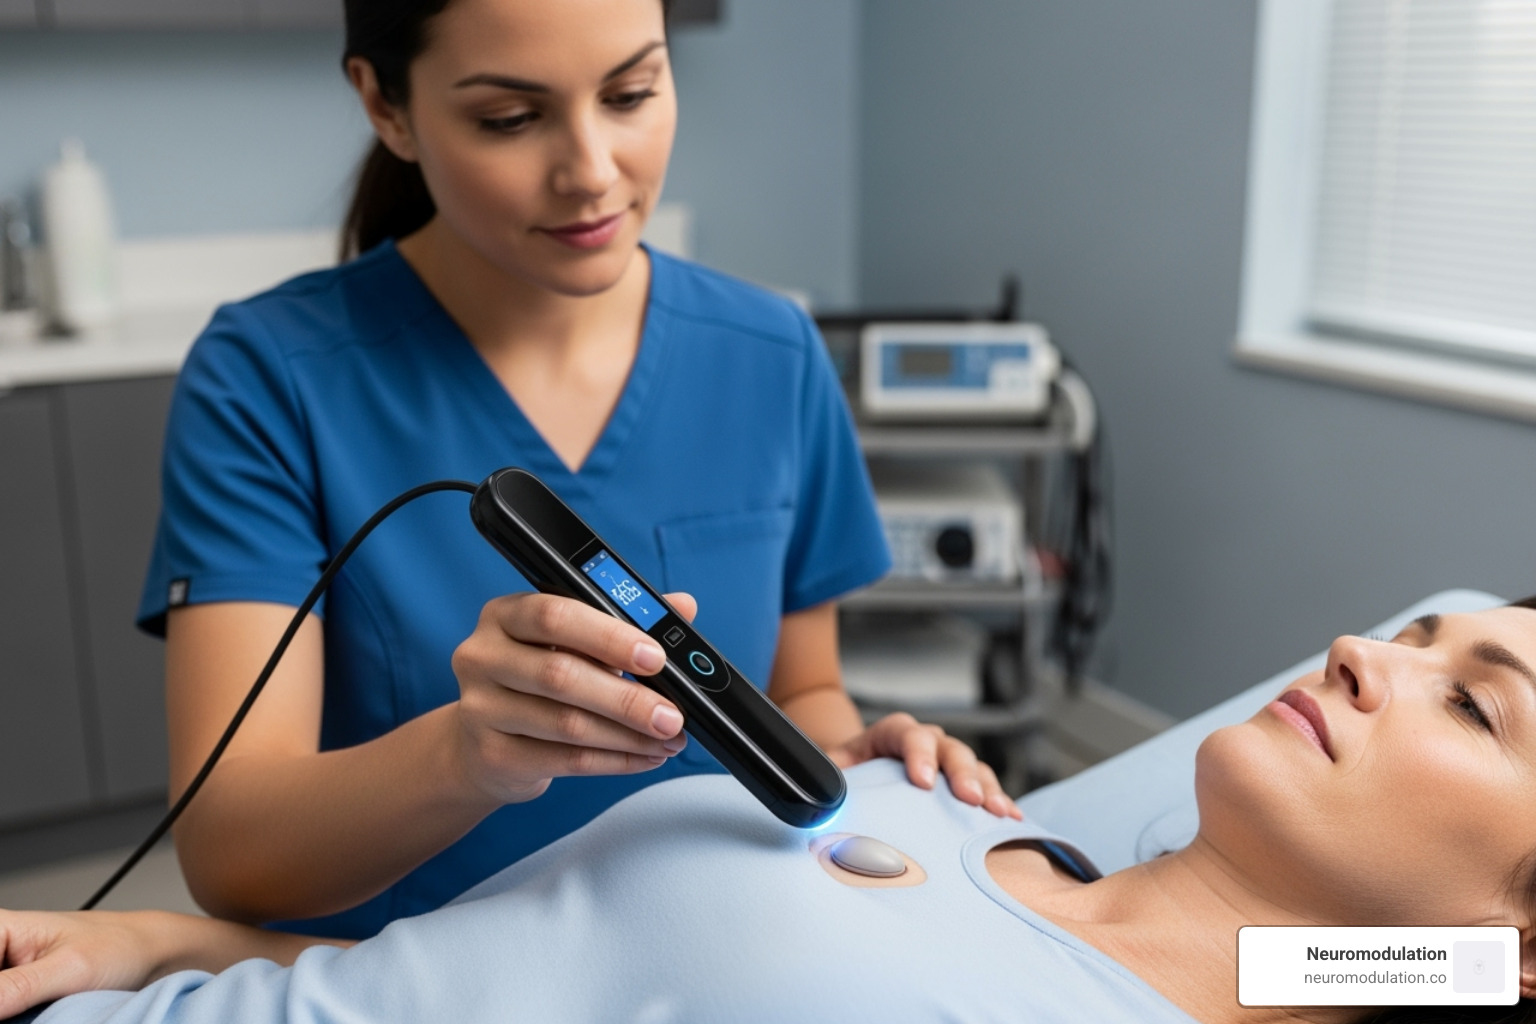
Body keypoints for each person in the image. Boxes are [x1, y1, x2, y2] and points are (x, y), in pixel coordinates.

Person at [133, 0, 1017, 942]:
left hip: (724, 958)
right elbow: (232, 854)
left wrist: (838, 746)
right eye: (510, 119)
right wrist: (466, 756)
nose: (592, 172)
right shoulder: (269, 378)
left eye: (632, 93)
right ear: (387, 106)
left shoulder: (771, 352)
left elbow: (804, 686)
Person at [4, 601, 1535, 1024]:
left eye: (1475, 703)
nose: (1368, 651)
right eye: (1418, 635)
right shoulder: (950, 803)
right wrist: (149, 939)